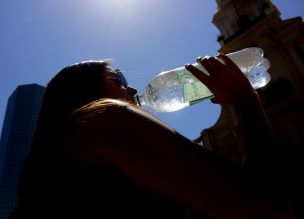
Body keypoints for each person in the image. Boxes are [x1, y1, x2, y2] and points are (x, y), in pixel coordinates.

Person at [10, 54, 295, 219]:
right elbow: (265, 204)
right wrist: (245, 97)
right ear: (83, 92)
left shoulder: (54, 163)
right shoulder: (101, 119)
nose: (132, 90)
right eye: (118, 78)